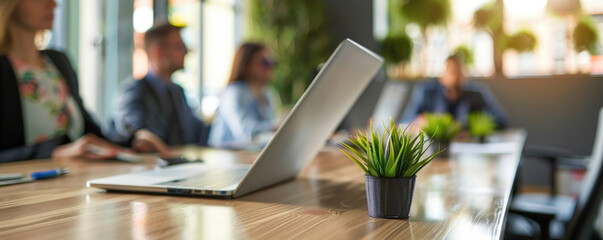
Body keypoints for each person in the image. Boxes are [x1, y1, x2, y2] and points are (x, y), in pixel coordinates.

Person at [0, 0, 124, 161]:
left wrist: (133, 141)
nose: (53, 4)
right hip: (33, 184)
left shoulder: (58, 61)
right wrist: (52, 153)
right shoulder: (3, 69)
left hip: (79, 179)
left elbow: (90, 132)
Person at [106, 22, 209, 152]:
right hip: (151, 167)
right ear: (158, 52)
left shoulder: (177, 91)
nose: (187, 51)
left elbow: (197, 131)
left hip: (180, 164)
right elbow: (138, 135)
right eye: (179, 47)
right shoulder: (133, 91)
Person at [400, 54, 509, 128]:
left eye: (458, 71)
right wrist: (421, 122)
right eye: (450, 71)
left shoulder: (476, 94)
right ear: (441, 75)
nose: (455, 76)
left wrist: (472, 127)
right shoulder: (428, 93)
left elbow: (501, 120)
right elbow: (405, 122)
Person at [209, 42, 281, 147]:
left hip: (251, 155)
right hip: (226, 155)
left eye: (271, 63)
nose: (269, 67)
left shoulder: (267, 93)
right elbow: (245, 132)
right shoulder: (234, 93)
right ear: (246, 65)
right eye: (264, 62)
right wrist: (276, 126)